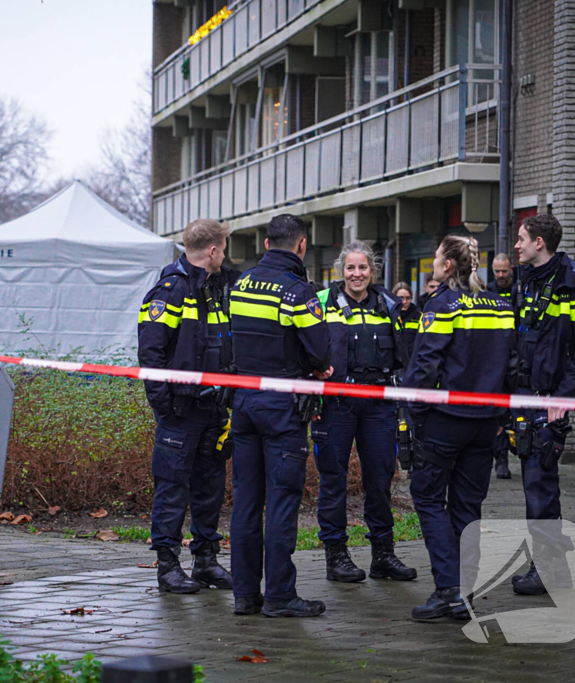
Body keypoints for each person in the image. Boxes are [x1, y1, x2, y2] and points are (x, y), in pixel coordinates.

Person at [402, 235, 517, 621]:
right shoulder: (501, 305)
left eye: (437, 257)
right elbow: (512, 365)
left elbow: (424, 365)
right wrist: (501, 417)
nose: (434, 262)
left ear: (448, 265)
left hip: (446, 421)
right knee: (468, 506)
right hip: (485, 423)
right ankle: (464, 593)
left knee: (428, 498)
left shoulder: (441, 305)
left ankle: (449, 589)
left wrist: (415, 413)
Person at [228, 214, 333, 618]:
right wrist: (317, 367)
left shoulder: (241, 284)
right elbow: (320, 351)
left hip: (243, 404)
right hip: (282, 408)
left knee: (246, 501)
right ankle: (279, 596)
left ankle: (244, 594)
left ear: (267, 244)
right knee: (282, 501)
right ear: (302, 245)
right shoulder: (297, 292)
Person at [138, 218, 240, 594]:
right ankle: (168, 567)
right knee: (172, 488)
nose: (224, 256)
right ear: (212, 250)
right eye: (223, 249)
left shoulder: (213, 288)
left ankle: (206, 562)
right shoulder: (171, 291)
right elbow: (151, 353)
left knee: (209, 486)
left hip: (213, 408)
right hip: (180, 411)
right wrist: (165, 406)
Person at [510, 214, 575, 596]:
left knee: (540, 486)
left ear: (539, 243)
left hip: (549, 401)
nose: (516, 245)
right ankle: (550, 564)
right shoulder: (527, 281)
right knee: (535, 485)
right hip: (524, 399)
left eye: (521, 239)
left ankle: (548, 570)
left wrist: (565, 395)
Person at [311, 248, 417, 586]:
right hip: (337, 403)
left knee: (380, 479)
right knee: (333, 480)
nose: (357, 274)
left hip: (378, 403)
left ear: (373, 270)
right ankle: (336, 556)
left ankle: (383, 555)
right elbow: (305, 345)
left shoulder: (390, 303)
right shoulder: (322, 301)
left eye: (363, 267)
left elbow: (407, 350)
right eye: (350, 268)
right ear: (340, 270)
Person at [487, 253, 516, 479]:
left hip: (517, 353)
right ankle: (501, 459)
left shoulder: (520, 290)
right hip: (496, 356)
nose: (500, 275)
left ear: (511, 269)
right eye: (497, 271)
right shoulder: (488, 292)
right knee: (499, 410)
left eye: (504, 271)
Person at [393, 281, 421, 362]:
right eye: (401, 298)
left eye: (408, 298)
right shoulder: (388, 315)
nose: (405, 302)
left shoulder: (418, 316)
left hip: (413, 362)